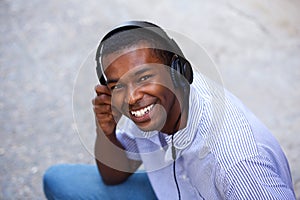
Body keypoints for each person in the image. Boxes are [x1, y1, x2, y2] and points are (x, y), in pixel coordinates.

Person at [43, 21, 296, 199]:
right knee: (58, 180)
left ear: (179, 71)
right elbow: (114, 177)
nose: (131, 97)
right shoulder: (150, 104)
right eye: (118, 86)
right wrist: (106, 131)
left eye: (143, 78)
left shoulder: (237, 164)